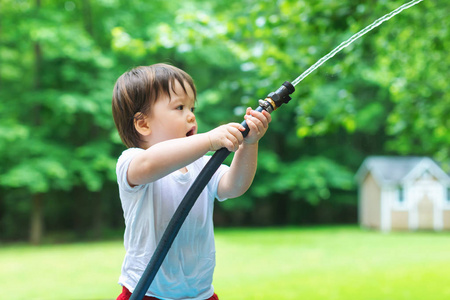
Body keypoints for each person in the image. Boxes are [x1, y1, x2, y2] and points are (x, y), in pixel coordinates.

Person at [112, 63, 271, 300]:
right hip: (148, 292)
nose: (191, 115)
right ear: (143, 124)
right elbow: (150, 164)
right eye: (179, 107)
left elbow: (234, 186)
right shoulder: (132, 161)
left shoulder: (203, 164)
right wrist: (208, 140)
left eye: (192, 107)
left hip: (199, 293)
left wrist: (249, 145)